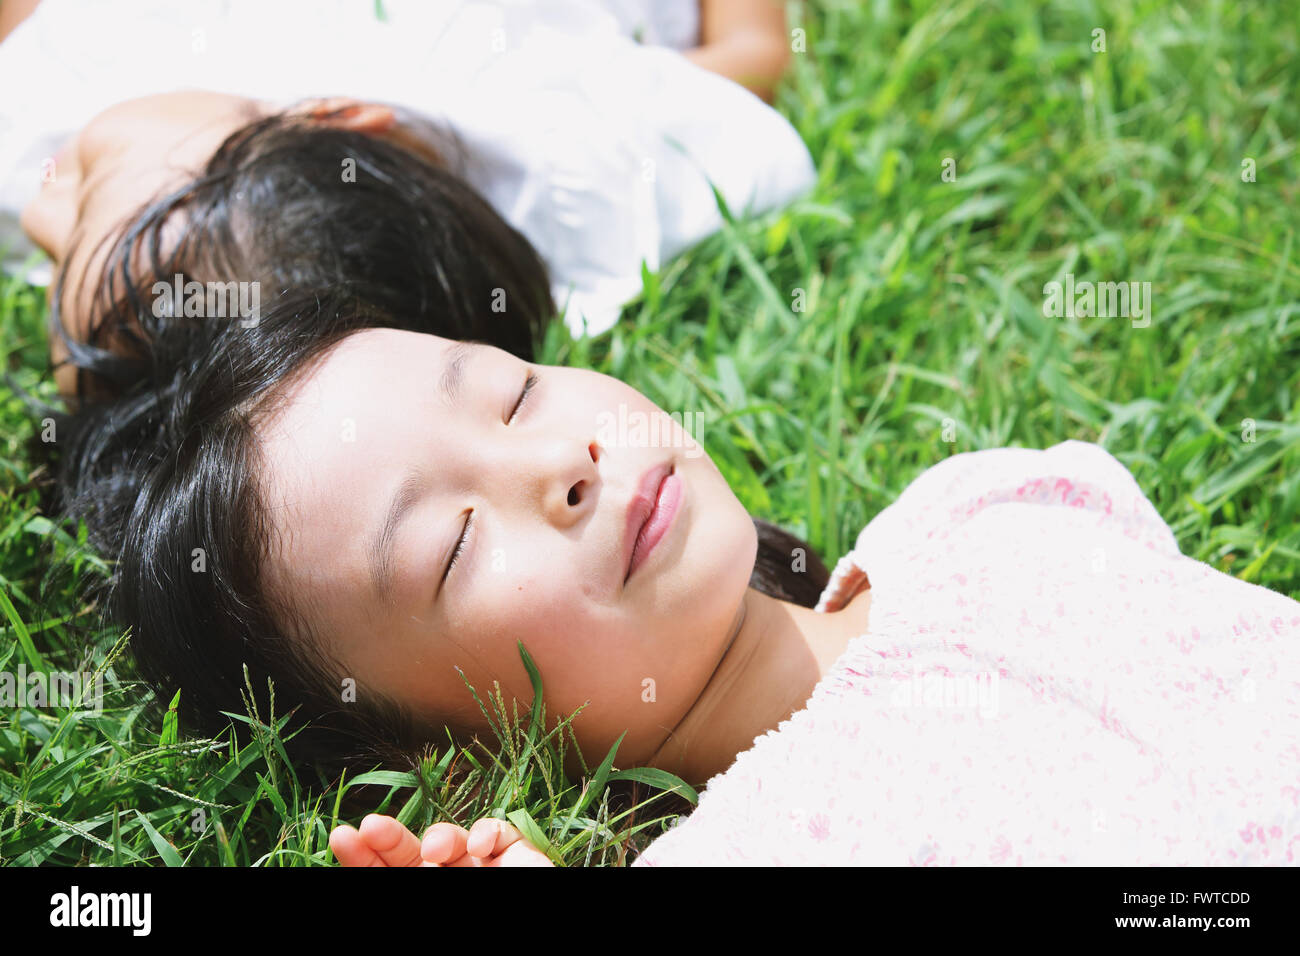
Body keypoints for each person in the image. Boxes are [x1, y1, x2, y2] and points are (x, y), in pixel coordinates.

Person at [50, 287, 1300, 865]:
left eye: (512, 391)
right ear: (464, 759)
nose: (563, 465)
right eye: (454, 543)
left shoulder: (990, 504)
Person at [0, 0, 814, 400]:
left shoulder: (59, 108)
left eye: (56, 252)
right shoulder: (577, 150)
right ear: (332, 113)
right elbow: (757, 56)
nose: (42, 210)